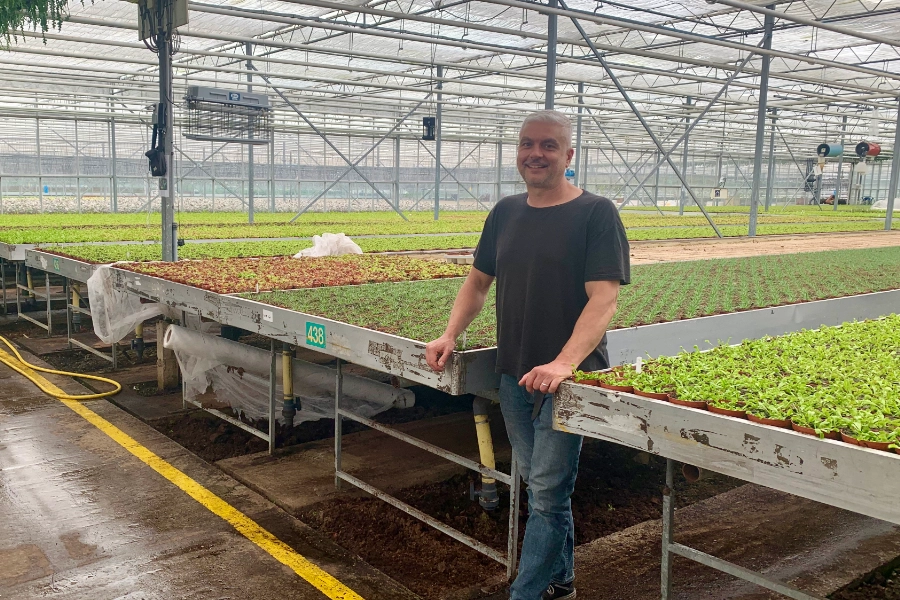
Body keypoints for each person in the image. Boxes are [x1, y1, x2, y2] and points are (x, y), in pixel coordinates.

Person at [425, 110, 630, 600]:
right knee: (541, 490)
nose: (535, 154)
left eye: (548, 146)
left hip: (569, 382)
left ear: (568, 156)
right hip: (514, 373)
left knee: (549, 491)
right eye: (527, 144)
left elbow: (604, 298)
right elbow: (477, 282)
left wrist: (564, 363)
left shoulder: (596, 213)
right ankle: (562, 581)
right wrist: (450, 333)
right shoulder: (505, 212)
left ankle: (528, 592)